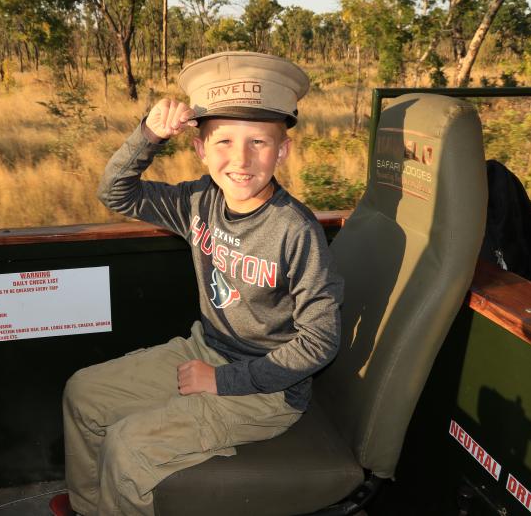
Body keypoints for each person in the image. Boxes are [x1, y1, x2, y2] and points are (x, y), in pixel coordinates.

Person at [59, 51, 343, 516]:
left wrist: (223, 380)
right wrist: (149, 135)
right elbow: (115, 192)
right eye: (224, 141)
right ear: (200, 149)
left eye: (259, 143)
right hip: (203, 349)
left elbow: (319, 342)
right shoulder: (198, 202)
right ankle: (92, 508)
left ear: (282, 150)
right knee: (83, 395)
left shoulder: (296, 231)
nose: (241, 159)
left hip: (267, 390)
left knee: (129, 448)